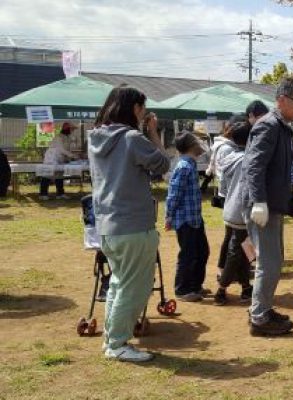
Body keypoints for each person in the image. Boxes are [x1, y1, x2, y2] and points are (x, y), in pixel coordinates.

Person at [88, 86, 170, 362]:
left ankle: (112, 339)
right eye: (142, 109)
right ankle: (118, 343)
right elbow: (162, 164)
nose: (144, 113)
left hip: (107, 226)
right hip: (134, 224)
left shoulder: (96, 138)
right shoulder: (132, 138)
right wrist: (153, 133)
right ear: (135, 108)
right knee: (135, 286)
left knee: (119, 283)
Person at [239, 77, 293, 336]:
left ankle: (263, 309)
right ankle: (259, 317)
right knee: (269, 262)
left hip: (272, 205)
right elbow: (253, 166)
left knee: (274, 260)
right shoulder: (268, 126)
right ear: (281, 100)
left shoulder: (282, 126)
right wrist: (258, 201)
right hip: (262, 205)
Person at [165, 133, 210, 302]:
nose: (201, 144)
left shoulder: (189, 165)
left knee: (202, 252)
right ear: (191, 145)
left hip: (195, 219)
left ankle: (195, 286)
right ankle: (183, 290)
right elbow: (173, 195)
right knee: (188, 255)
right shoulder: (184, 166)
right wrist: (169, 217)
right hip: (186, 220)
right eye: (197, 142)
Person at [213, 121, 253, 306]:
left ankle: (246, 287)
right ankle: (221, 290)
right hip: (241, 212)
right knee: (236, 252)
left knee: (243, 250)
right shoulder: (248, 160)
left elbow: (223, 189)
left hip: (230, 208)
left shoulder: (229, 158)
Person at [40, 122, 79, 200]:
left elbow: (67, 150)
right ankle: (43, 194)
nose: (72, 131)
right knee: (47, 175)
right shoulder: (59, 137)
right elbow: (62, 149)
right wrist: (72, 156)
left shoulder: (67, 138)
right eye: (71, 129)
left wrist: (69, 158)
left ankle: (60, 194)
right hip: (51, 158)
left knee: (60, 175)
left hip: (59, 159)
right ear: (67, 129)